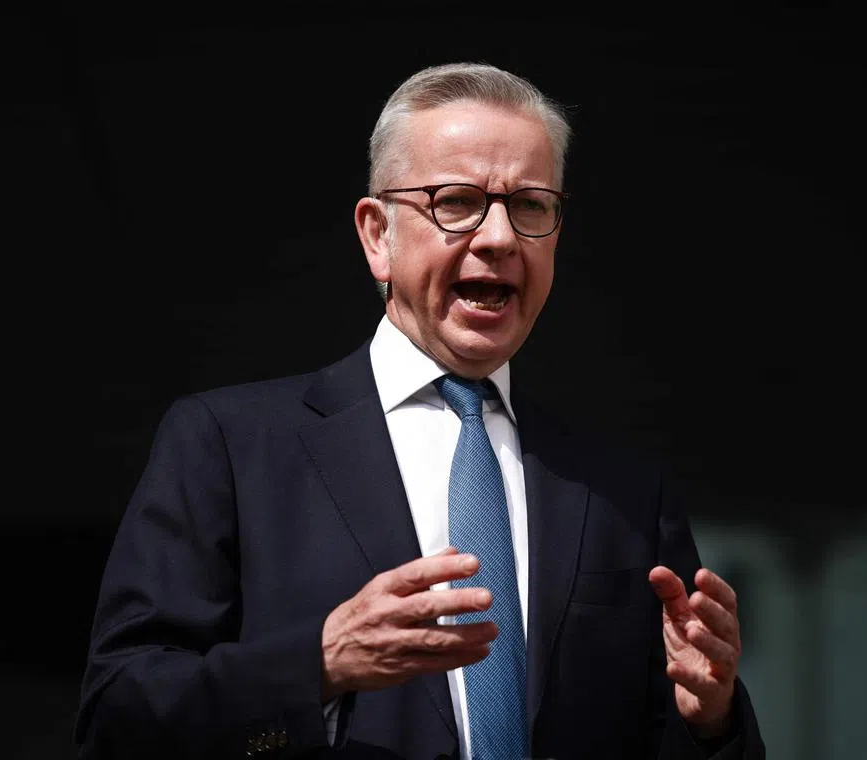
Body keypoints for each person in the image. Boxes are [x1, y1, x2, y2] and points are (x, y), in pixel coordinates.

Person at [75, 62, 765, 759]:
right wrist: (319, 664)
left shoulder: (624, 492)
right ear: (378, 235)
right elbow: (118, 718)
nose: (499, 237)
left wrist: (710, 722)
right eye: (457, 202)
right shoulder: (230, 447)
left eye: (530, 206)